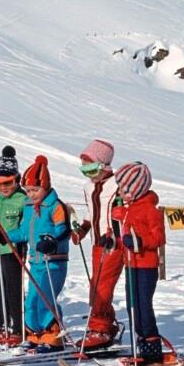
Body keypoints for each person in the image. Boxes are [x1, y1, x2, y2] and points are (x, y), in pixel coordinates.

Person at [0, 155, 70, 351]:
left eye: (35, 190)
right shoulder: (28, 207)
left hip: (53, 261)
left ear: (45, 186)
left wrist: (52, 241)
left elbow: (64, 230)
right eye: (28, 190)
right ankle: (36, 335)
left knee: (45, 298)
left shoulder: (55, 206)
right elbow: (23, 232)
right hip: (35, 262)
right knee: (31, 301)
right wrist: (5, 235)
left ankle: (53, 336)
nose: (31, 194)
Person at [112, 161, 167, 365]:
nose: (119, 192)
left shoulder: (150, 210)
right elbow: (126, 236)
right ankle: (140, 345)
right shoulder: (129, 210)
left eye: (123, 189)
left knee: (143, 305)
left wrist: (139, 242)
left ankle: (151, 346)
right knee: (132, 305)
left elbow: (158, 238)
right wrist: (113, 240)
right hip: (131, 264)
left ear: (134, 190)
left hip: (146, 266)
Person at [72, 138, 124, 349]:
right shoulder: (88, 187)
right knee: (96, 285)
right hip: (97, 243)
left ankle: (100, 329)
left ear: (104, 166)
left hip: (113, 244)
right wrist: (83, 229)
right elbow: (90, 212)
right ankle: (106, 324)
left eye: (91, 169)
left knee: (101, 287)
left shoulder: (117, 184)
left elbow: (123, 213)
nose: (88, 174)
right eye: (84, 169)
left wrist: (114, 233)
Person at [0, 146, 27, 345]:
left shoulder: (22, 199)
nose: (3, 188)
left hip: (13, 250)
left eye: (8, 183)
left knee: (13, 289)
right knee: (0, 288)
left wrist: (8, 237)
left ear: (16, 179)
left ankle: (18, 328)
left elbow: (24, 228)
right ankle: (1, 325)